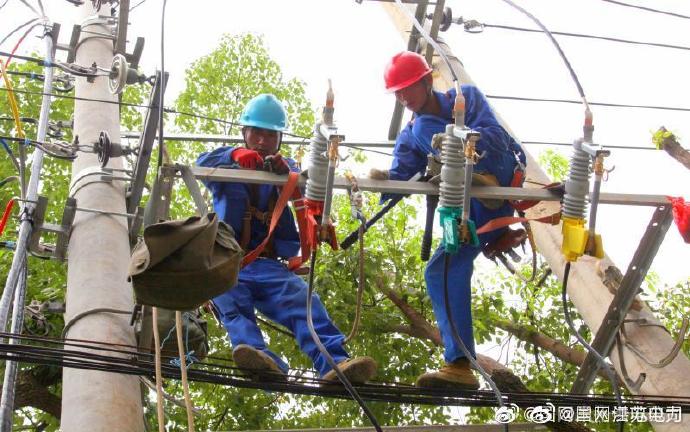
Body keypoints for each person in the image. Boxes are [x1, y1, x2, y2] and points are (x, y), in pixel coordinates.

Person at [197, 93, 377, 384]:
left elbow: (305, 178)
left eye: (270, 135)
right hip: (227, 264)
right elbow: (201, 163)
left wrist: (286, 172)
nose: (262, 141)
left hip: (269, 265)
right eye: (256, 133)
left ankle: (334, 363)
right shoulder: (226, 165)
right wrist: (234, 155)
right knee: (231, 303)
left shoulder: (285, 169)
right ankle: (258, 358)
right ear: (245, 133)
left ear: (279, 139)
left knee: (303, 303)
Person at [378, 51, 526, 389]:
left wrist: (460, 140)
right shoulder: (411, 133)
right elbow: (399, 181)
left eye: (407, 88)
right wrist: (382, 182)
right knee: (441, 268)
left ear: (426, 81)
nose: (403, 98)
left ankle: (477, 174)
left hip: (499, 181)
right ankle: (459, 364)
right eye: (397, 93)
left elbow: (495, 135)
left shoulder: (465, 97)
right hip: (471, 207)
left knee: (430, 130)